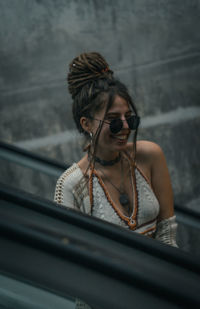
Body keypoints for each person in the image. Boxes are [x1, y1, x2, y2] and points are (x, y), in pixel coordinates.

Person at [54, 51, 178, 244]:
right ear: (87, 124)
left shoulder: (150, 156)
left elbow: (167, 234)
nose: (126, 126)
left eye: (129, 117)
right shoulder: (72, 186)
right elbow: (72, 256)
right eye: (114, 121)